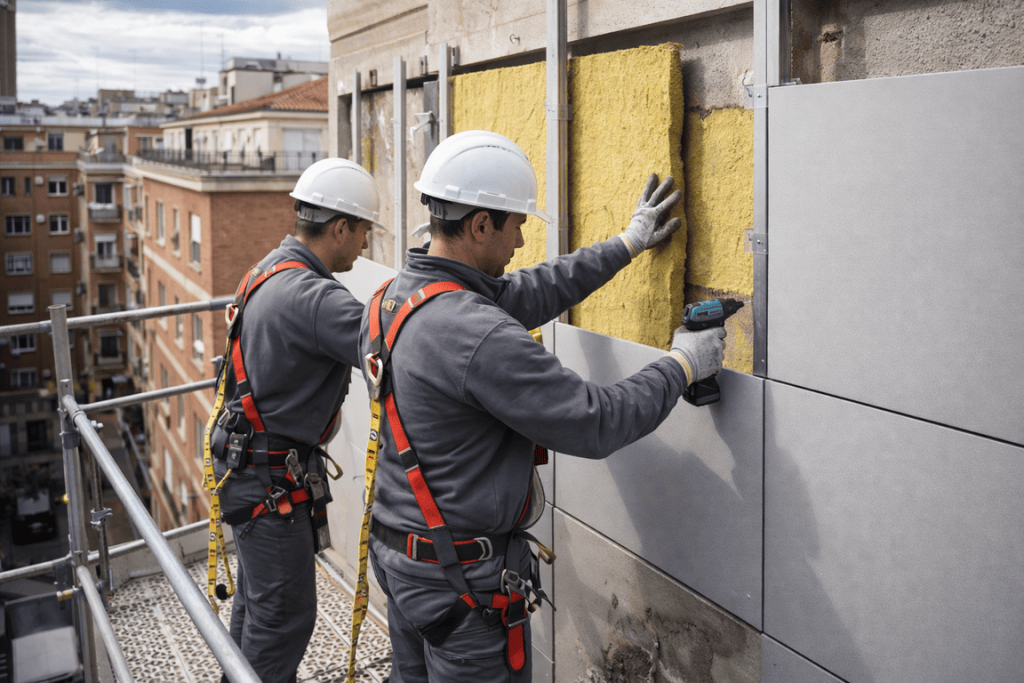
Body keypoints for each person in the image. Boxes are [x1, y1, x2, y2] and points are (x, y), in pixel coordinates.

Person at [358, 130, 728, 682]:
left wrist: (627, 243)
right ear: (480, 224)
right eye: (516, 226)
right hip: (459, 587)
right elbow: (595, 421)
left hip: (402, 562)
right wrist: (682, 364)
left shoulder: (395, 298)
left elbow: (534, 288)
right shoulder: (474, 333)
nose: (522, 243)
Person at [208, 158, 382, 683]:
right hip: (268, 481)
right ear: (340, 228)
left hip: (248, 470)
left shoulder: (269, 269)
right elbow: (402, 344)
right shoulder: (315, 297)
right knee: (283, 618)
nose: (366, 247)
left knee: (260, 609)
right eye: (364, 233)